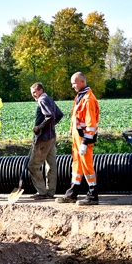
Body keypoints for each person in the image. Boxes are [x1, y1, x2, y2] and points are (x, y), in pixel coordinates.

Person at [56, 72, 100, 205]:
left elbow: (90, 124)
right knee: (77, 165)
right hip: (77, 138)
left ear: (82, 82)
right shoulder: (80, 97)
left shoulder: (88, 99)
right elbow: (76, 119)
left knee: (87, 166)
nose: (73, 86)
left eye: (74, 83)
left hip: (83, 139)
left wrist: (85, 142)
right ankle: (72, 193)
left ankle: (92, 195)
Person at [27, 82, 63, 199]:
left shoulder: (42, 100)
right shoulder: (49, 99)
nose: (33, 95)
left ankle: (42, 192)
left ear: (40, 90)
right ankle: (51, 192)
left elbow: (50, 116)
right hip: (52, 137)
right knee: (51, 165)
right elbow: (59, 115)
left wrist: (40, 127)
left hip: (43, 138)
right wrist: (51, 126)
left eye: (34, 92)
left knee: (33, 165)